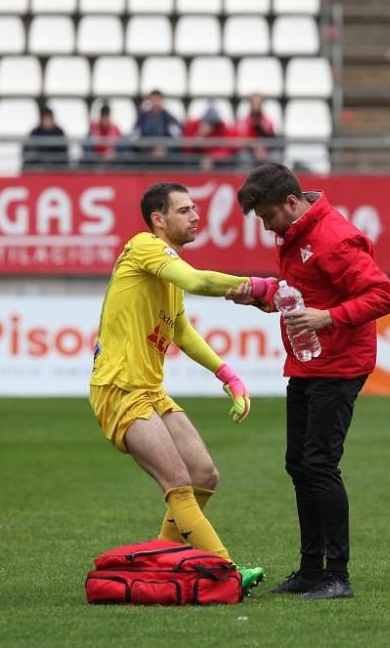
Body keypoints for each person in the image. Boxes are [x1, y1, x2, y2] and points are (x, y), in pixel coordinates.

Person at [89, 182, 278, 594]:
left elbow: (181, 331)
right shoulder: (144, 247)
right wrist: (258, 285)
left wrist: (228, 375)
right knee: (177, 480)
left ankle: (161, 555)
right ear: (159, 219)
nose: (196, 216)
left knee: (204, 475)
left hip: (150, 390)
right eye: (184, 210)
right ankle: (226, 570)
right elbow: (198, 282)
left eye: (195, 209)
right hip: (119, 387)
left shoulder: (168, 271)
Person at [227, 163, 390, 601]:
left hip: (340, 364)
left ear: (291, 202)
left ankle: (337, 575)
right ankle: (309, 570)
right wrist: (264, 295)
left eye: (269, 217)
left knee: (320, 464)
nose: (268, 228)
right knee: (299, 465)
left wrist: (328, 317)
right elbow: (300, 291)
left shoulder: (334, 239)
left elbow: (383, 295)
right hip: (307, 362)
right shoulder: (295, 236)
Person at [132, 89, 184, 161]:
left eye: (158, 100)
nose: (156, 103)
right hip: (146, 155)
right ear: (149, 101)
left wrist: (165, 148)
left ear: (162, 101)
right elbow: (135, 138)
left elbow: (177, 137)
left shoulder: (169, 119)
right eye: (153, 100)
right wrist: (149, 148)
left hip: (166, 156)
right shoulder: (142, 119)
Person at [183, 105, 238, 172]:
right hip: (196, 158)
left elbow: (227, 148)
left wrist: (211, 157)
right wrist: (199, 135)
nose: (212, 125)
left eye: (213, 123)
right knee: (187, 162)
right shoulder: (193, 125)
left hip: (215, 159)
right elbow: (186, 150)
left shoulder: (221, 126)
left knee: (227, 163)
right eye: (209, 122)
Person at [22, 106, 68, 170]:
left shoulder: (59, 132)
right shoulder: (35, 132)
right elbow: (27, 150)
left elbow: (63, 152)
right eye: (45, 119)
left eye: (48, 119)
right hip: (38, 166)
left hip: (55, 166)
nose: (47, 121)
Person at [235, 93, 276, 165]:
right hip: (249, 150)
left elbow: (271, 139)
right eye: (254, 102)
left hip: (265, 151)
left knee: (275, 157)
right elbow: (242, 139)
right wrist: (254, 147)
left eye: (258, 102)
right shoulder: (243, 121)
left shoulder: (268, 121)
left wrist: (263, 149)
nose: (256, 105)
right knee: (244, 156)